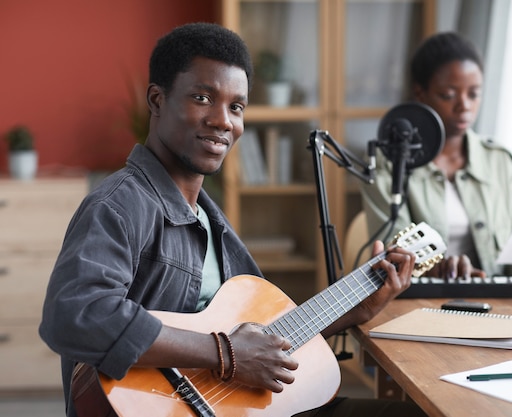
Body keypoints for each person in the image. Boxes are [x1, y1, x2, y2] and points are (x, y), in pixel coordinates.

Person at [39, 23, 426, 417]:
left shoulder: (210, 219)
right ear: (157, 100)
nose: (223, 120)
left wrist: (356, 309)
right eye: (203, 98)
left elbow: (262, 339)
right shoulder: (119, 205)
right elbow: (75, 316)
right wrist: (224, 352)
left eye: (236, 107)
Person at [361, 31, 512, 279]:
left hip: (501, 301)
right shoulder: (390, 164)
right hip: (424, 303)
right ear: (420, 93)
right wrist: (441, 268)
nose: (464, 105)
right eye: (448, 95)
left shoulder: (499, 161)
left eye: (474, 93)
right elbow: (394, 262)